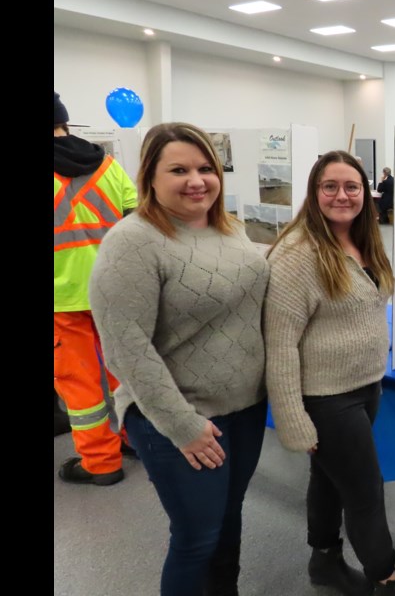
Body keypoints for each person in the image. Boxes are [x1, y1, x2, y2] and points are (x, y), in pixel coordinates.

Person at [89, 122, 271, 596]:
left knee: (229, 523)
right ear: (149, 176)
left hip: (245, 410)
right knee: (197, 538)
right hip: (179, 416)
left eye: (206, 167)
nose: (197, 180)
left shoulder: (229, 228)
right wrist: (182, 425)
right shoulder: (133, 241)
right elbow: (125, 348)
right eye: (179, 170)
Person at [263, 151, 395, 596]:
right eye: (330, 186)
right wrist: (291, 418)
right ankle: (387, 580)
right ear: (314, 193)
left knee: (328, 479)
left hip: (366, 386)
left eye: (352, 187)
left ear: (366, 194)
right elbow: (279, 345)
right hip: (327, 398)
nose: (342, 196)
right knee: (366, 492)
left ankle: (324, 561)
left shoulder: (365, 242)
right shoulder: (295, 256)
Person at [54, 91, 138, 486]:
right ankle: (136, 437)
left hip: (61, 300)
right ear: (65, 122)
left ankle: (101, 463)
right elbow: (136, 220)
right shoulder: (107, 165)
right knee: (124, 371)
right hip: (113, 290)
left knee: (80, 383)